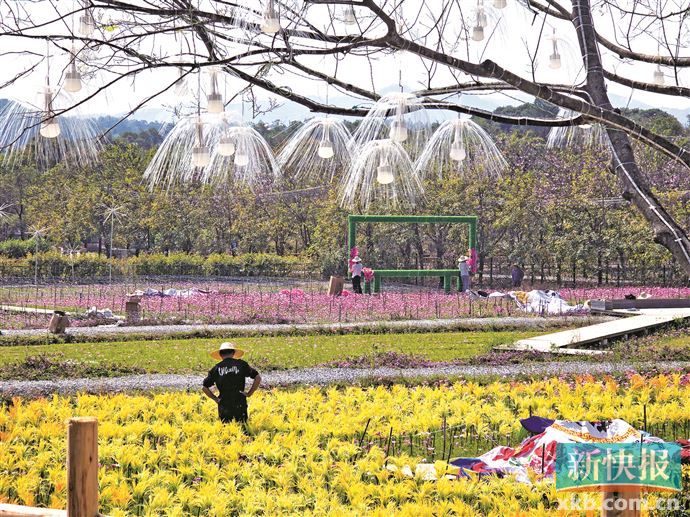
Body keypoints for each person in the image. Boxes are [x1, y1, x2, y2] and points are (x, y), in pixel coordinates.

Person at [202, 342, 262, 425]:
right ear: (233, 353)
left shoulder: (216, 368)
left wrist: (215, 399)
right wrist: (249, 393)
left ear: (220, 354)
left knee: (226, 428)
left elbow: (204, 387)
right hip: (240, 402)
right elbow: (258, 378)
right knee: (243, 427)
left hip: (224, 404)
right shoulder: (241, 364)